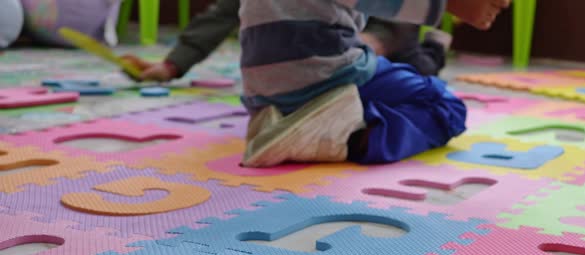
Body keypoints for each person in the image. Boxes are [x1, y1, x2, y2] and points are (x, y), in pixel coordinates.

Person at [238, 0, 509, 167]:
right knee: (446, 107)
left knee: (395, 69)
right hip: (328, 74)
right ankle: (355, 140)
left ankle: (306, 118)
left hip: (263, 94)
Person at [120, 0, 453, 81]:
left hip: (380, 35)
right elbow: (224, 12)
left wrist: (369, 44)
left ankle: (437, 47)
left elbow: (400, 20)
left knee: (417, 71)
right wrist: (172, 63)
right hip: (326, 52)